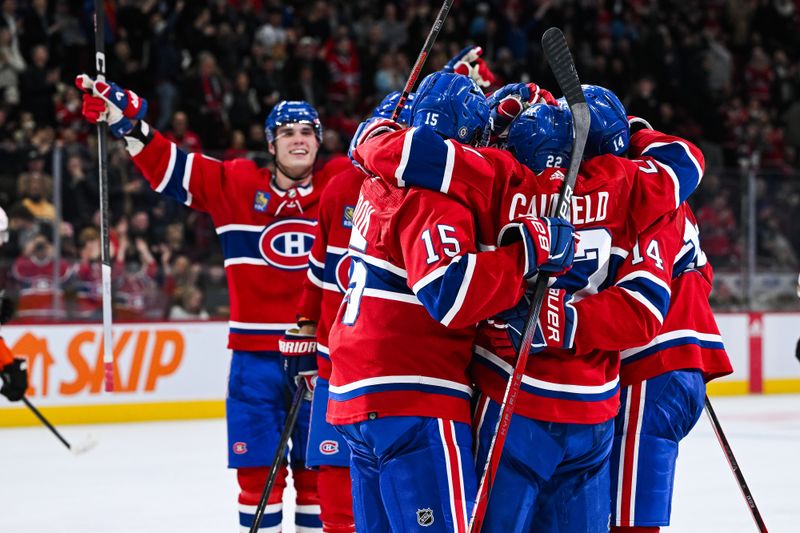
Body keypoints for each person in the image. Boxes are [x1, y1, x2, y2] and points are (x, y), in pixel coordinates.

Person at [354, 83, 706, 532]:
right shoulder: (632, 185)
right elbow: (686, 161)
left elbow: (418, 155)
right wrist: (629, 128)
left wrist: (372, 135)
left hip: (511, 396)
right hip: (592, 408)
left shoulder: (500, 177)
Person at [76, 74, 352, 532]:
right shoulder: (236, 183)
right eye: (287, 133)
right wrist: (128, 123)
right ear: (271, 142)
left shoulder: (341, 183)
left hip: (322, 357)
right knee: (255, 477)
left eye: (307, 132)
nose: (298, 140)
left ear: (319, 141)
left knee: (318, 478)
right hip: (254, 360)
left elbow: (392, 160)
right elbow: (172, 167)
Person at [328, 71, 577, 533]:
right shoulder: (435, 199)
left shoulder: (375, 183)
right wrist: (528, 251)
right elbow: (451, 293)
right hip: (414, 392)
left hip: (353, 394)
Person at [280, 91, 414, 533]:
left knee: (399, 475)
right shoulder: (340, 188)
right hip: (338, 360)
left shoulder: (424, 195)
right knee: (336, 472)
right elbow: (319, 274)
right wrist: (305, 326)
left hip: (400, 363)